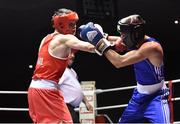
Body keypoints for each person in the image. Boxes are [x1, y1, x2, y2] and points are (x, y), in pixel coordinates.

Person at [78, 15, 170, 123]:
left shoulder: (152, 47)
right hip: (138, 98)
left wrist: (99, 41)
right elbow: (116, 39)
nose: (121, 38)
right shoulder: (135, 40)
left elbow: (119, 62)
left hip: (156, 97)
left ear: (135, 33)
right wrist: (99, 35)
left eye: (123, 35)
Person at [27, 8, 95, 123]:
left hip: (34, 89)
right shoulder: (65, 38)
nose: (75, 27)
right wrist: (101, 40)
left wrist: (110, 39)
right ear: (62, 25)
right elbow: (90, 47)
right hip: (47, 91)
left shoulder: (46, 39)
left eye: (75, 24)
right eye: (72, 24)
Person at [58, 51, 93, 123]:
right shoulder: (60, 70)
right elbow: (52, 87)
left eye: (73, 54)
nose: (73, 56)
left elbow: (78, 89)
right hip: (63, 106)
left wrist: (86, 102)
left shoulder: (72, 71)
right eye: (70, 53)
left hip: (70, 107)